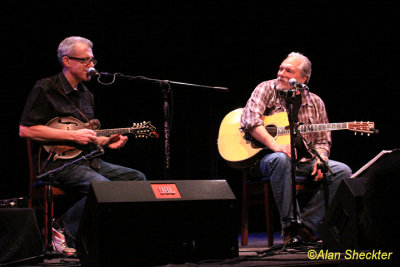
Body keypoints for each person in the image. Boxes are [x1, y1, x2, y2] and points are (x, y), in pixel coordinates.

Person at [19, 36, 146, 255]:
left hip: (88, 161)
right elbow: (26, 130)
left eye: (93, 60)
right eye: (86, 61)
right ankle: (61, 230)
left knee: (137, 179)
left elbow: (87, 136)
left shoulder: (87, 95)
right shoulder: (46, 88)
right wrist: (73, 137)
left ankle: (119, 238)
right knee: (104, 188)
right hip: (58, 165)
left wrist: (107, 140)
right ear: (67, 61)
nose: (92, 66)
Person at [240, 52, 351, 243]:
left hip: (303, 161)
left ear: (303, 79)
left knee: (342, 171)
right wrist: (276, 145)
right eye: (280, 68)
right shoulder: (266, 88)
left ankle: (307, 228)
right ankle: (291, 227)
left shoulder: (315, 102)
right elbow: (250, 121)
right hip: (265, 159)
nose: (281, 73)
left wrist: (321, 158)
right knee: (283, 159)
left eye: (288, 70)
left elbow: (323, 140)